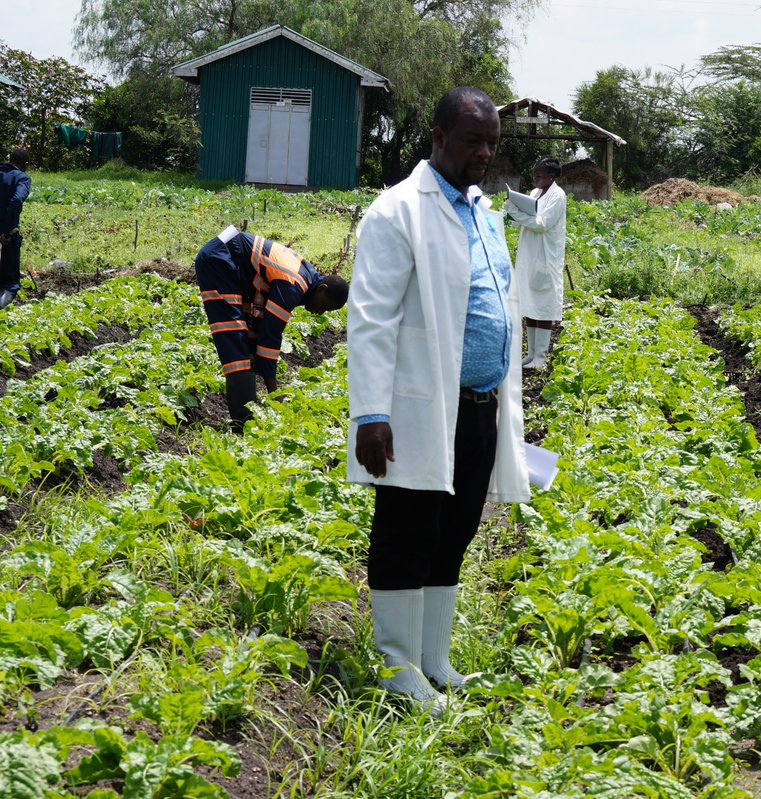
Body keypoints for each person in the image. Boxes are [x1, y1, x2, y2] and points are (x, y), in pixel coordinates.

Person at [347, 87, 530, 715]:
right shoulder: (398, 212)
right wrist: (371, 415)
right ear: (438, 138)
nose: (483, 153)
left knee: (456, 530)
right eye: (472, 140)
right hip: (422, 405)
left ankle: (433, 658)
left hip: (480, 403)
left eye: (492, 143)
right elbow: (369, 319)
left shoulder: (480, 208)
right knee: (407, 529)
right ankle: (395, 664)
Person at [193, 226, 348, 427]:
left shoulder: (307, 274)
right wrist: (275, 393)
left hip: (233, 256)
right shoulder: (293, 285)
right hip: (220, 257)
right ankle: (243, 421)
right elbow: (270, 337)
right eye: (325, 306)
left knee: (247, 332)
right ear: (322, 289)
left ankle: (246, 408)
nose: (321, 313)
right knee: (232, 332)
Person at [505, 155, 567, 369]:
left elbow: (541, 223)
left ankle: (540, 357)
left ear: (551, 176)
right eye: (534, 174)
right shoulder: (535, 193)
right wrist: (514, 209)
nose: (535, 178)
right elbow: (528, 218)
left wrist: (514, 211)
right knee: (530, 304)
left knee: (544, 305)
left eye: (539, 175)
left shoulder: (558, 196)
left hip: (546, 258)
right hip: (530, 255)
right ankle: (531, 354)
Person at [0, 148, 32, 310]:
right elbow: (16, 200)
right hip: (5, 229)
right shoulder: (21, 178)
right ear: (25, 164)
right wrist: (6, 230)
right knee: (10, 280)